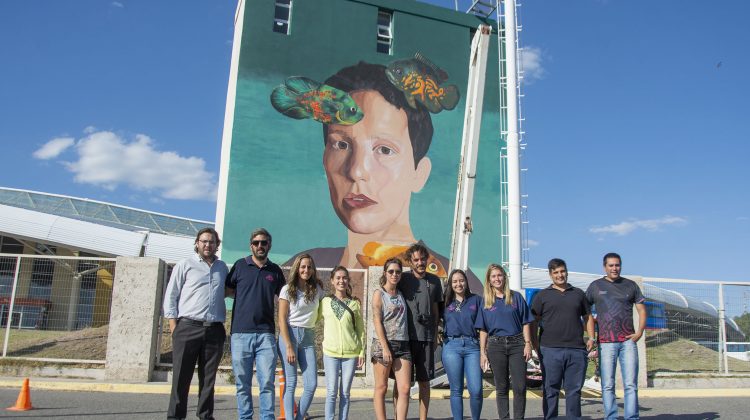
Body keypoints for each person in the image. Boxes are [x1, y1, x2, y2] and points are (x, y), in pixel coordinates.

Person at [287, 61, 483, 292]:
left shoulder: (453, 279)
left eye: (384, 150)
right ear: (324, 159)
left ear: (419, 173)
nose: (356, 171)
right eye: (341, 144)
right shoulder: (299, 269)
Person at [163, 227, 228, 420]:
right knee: (181, 378)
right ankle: (175, 417)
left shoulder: (222, 267)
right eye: (204, 241)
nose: (208, 245)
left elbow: (226, 291)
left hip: (214, 330)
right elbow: (171, 295)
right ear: (197, 243)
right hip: (187, 328)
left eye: (212, 242)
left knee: (208, 380)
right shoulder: (185, 265)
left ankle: (205, 416)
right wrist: (174, 326)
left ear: (217, 245)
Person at [225, 228, 286, 420]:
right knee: (242, 383)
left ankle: (267, 417)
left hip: (266, 334)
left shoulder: (275, 271)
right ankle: (245, 417)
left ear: (269, 245)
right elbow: (228, 290)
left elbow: (284, 298)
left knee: (266, 382)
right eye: (256, 242)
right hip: (240, 334)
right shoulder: (240, 266)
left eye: (264, 242)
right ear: (251, 245)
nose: (260, 246)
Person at [530, 258, 596, 420]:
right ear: (550, 275)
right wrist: (534, 344)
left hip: (576, 350)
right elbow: (533, 321)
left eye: (562, 271)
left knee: (574, 390)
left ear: (566, 271)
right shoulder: (542, 296)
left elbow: (587, 317)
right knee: (550, 389)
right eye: (556, 272)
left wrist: (591, 338)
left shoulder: (578, 294)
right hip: (550, 350)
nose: (560, 275)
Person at [586, 253, 647, 420]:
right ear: (604, 266)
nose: (614, 268)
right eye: (611, 265)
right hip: (605, 343)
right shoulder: (595, 286)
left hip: (628, 342)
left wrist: (639, 332)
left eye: (617, 265)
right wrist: (591, 337)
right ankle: (611, 417)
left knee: (630, 385)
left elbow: (642, 310)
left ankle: (631, 417)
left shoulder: (631, 285)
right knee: (607, 385)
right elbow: (586, 313)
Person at [475, 263, 533, 420]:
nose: (497, 279)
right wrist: (482, 352)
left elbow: (526, 322)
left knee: (520, 387)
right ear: (489, 279)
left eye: (499, 275)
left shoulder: (516, 297)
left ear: (504, 277)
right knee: (501, 387)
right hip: (495, 346)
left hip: (517, 344)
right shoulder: (486, 301)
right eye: (493, 276)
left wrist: (528, 344)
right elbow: (483, 329)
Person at [393, 243, 443, 420]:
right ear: (409, 261)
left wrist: (436, 334)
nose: (420, 262)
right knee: (401, 384)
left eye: (423, 259)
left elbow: (437, 311)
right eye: (416, 260)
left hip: (426, 338)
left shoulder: (435, 281)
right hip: (403, 339)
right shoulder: (402, 279)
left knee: (424, 382)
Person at [278, 254, 325, 420]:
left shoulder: (317, 290)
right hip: (289, 336)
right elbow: (282, 319)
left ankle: (299, 417)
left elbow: (328, 306)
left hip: (308, 338)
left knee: (311, 384)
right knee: (291, 383)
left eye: (309, 267)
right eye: (303, 267)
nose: (306, 270)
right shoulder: (287, 289)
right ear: (297, 268)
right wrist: (288, 345)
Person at [320, 266, 365, 420]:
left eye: (344, 278)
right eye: (338, 278)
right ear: (332, 281)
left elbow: (360, 330)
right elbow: (312, 319)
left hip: (350, 354)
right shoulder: (325, 302)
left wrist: (361, 351)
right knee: (331, 392)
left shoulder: (354, 304)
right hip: (330, 353)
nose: (341, 281)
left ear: (348, 281)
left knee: (345, 392)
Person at [371, 257, 412, 420]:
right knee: (381, 387)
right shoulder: (379, 293)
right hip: (383, 345)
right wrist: (385, 347)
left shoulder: (401, 293)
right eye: (391, 271)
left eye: (397, 272)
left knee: (405, 388)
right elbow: (376, 320)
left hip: (403, 344)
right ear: (385, 273)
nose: (394, 274)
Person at [441, 269, 483, 420]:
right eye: (455, 281)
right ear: (450, 284)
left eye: (461, 280)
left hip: (473, 346)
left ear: (466, 281)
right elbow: (434, 320)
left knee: (476, 389)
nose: (458, 284)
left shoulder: (476, 300)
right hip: (452, 346)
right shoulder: (445, 301)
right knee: (456, 389)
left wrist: (485, 350)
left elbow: (484, 326)